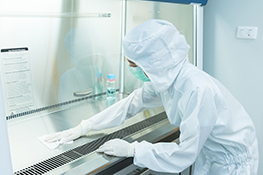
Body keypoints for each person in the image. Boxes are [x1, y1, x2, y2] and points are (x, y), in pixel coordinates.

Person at [45, 19, 259, 174]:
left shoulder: (197, 89)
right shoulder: (167, 79)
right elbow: (131, 104)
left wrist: (132, 149)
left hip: (232, 164)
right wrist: (85, 127)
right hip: (210, 156)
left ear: (154, 63)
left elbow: (184, 154)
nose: (131, 69)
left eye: (133, 65)